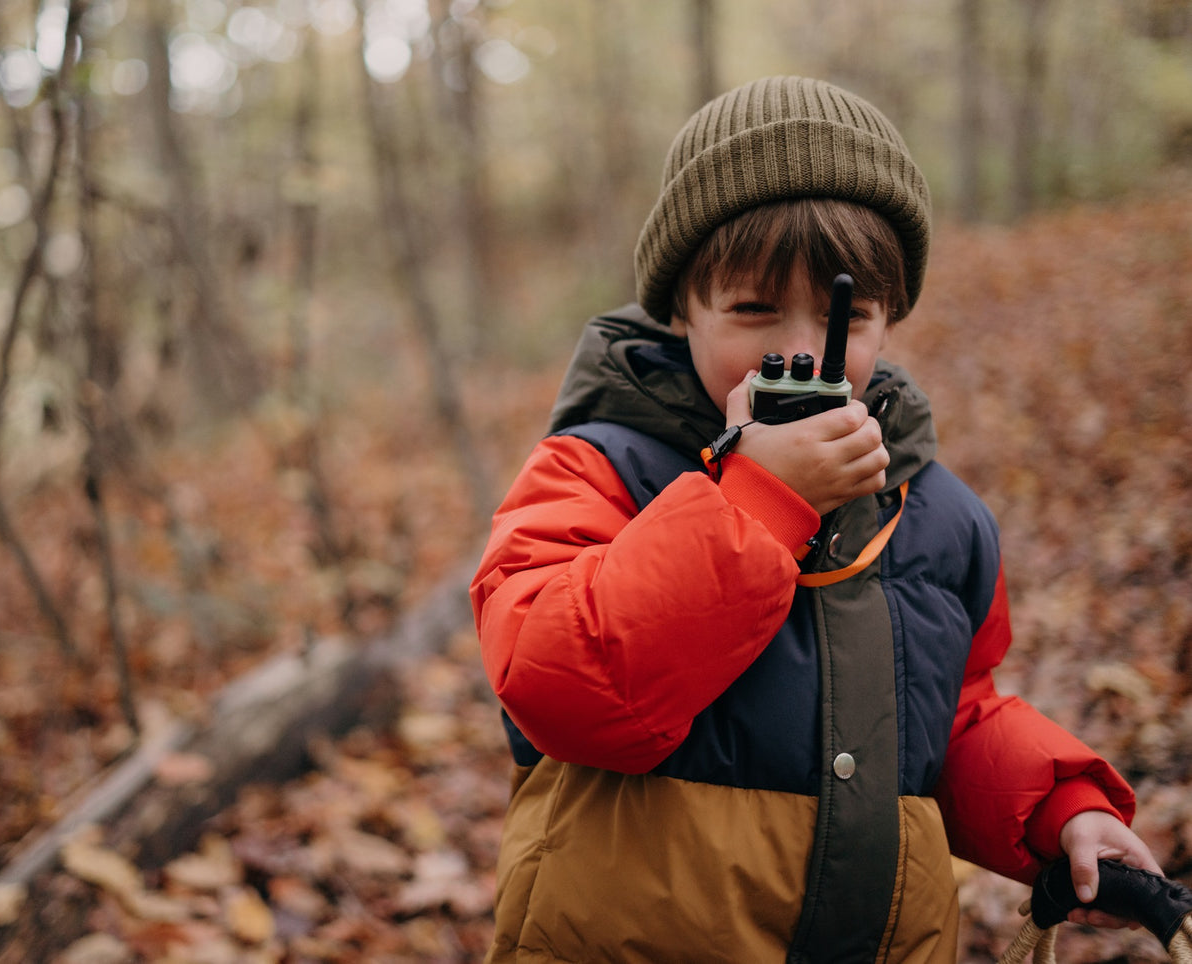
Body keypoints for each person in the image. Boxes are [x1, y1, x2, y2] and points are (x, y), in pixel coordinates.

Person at [468, 75, 1160, 964]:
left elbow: (947, 714)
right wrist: (755, 503)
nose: (798, 349)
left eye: (845, 316)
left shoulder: (935, 514)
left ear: (886, 319)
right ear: (681, 309)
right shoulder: (596, 469)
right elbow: (559, 683)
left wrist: (1061, 812)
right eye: (753, 310)